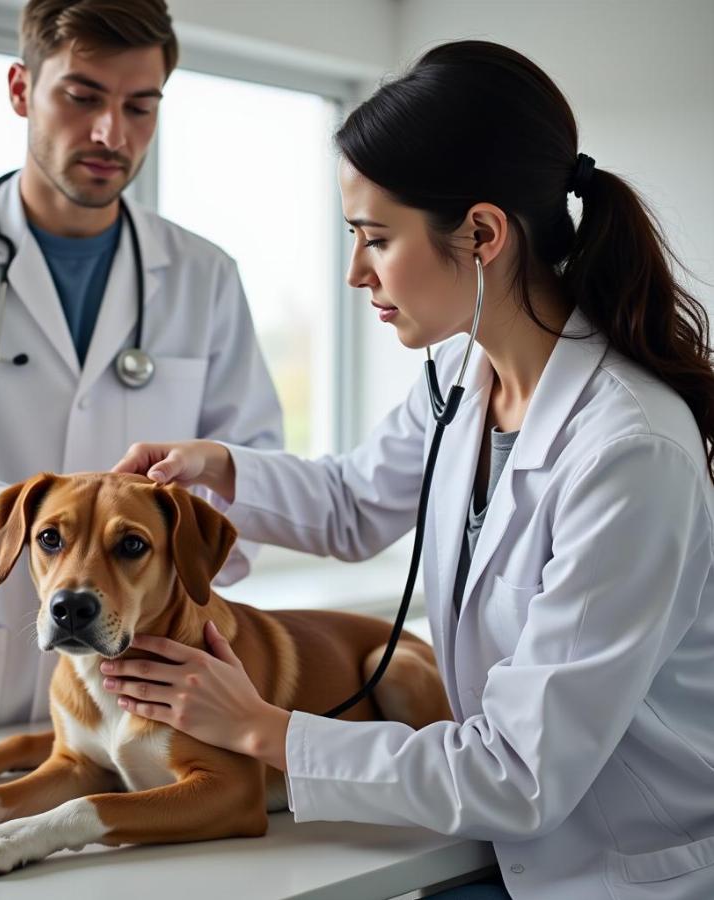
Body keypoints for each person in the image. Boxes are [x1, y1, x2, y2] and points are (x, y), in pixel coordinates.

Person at [102, 40, 714, 900]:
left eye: (375, 238)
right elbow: (356, 506)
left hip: (619, 873)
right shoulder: (462, 380)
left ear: (483, 234)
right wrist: (215, 465)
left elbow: (518, 772)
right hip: (499, 851)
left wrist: (262, 728)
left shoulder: (628, 454)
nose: (356, 272)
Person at [0, 0, 282, 747]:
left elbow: (249, 462)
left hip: (141, 675)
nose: (112, 133)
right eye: (82, 97)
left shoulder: (203, 275)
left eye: (141, 107)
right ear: (20, 90)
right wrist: (17, 525)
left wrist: (148, 559)